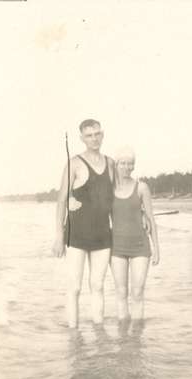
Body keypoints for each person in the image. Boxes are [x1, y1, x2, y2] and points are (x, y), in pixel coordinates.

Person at [52, 119, 114, 328]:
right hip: (76, 235)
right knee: (75, 287)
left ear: (102, 134)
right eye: (89, 135)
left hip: (103, 235)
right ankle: (73, 334)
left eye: (97, 134)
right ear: (81, 138)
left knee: (98, 285)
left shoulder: (111, 163)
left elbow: (116, 198)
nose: (94, 139)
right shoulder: (74, 163)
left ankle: (99, 333)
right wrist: (59, 237)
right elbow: (61, 200)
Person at [110, 146, 160, 324]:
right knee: (121, 293)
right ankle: (124, 336)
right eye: (122, 163)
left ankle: (137, 334)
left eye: (130, 163)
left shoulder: (142, 187)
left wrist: (157, 249)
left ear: (134, 166)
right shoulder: (109, 189)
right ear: (116, 165)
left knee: (137, 292)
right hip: (116, 247)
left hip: (140, 246)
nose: (126, 167)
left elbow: (152, 219)